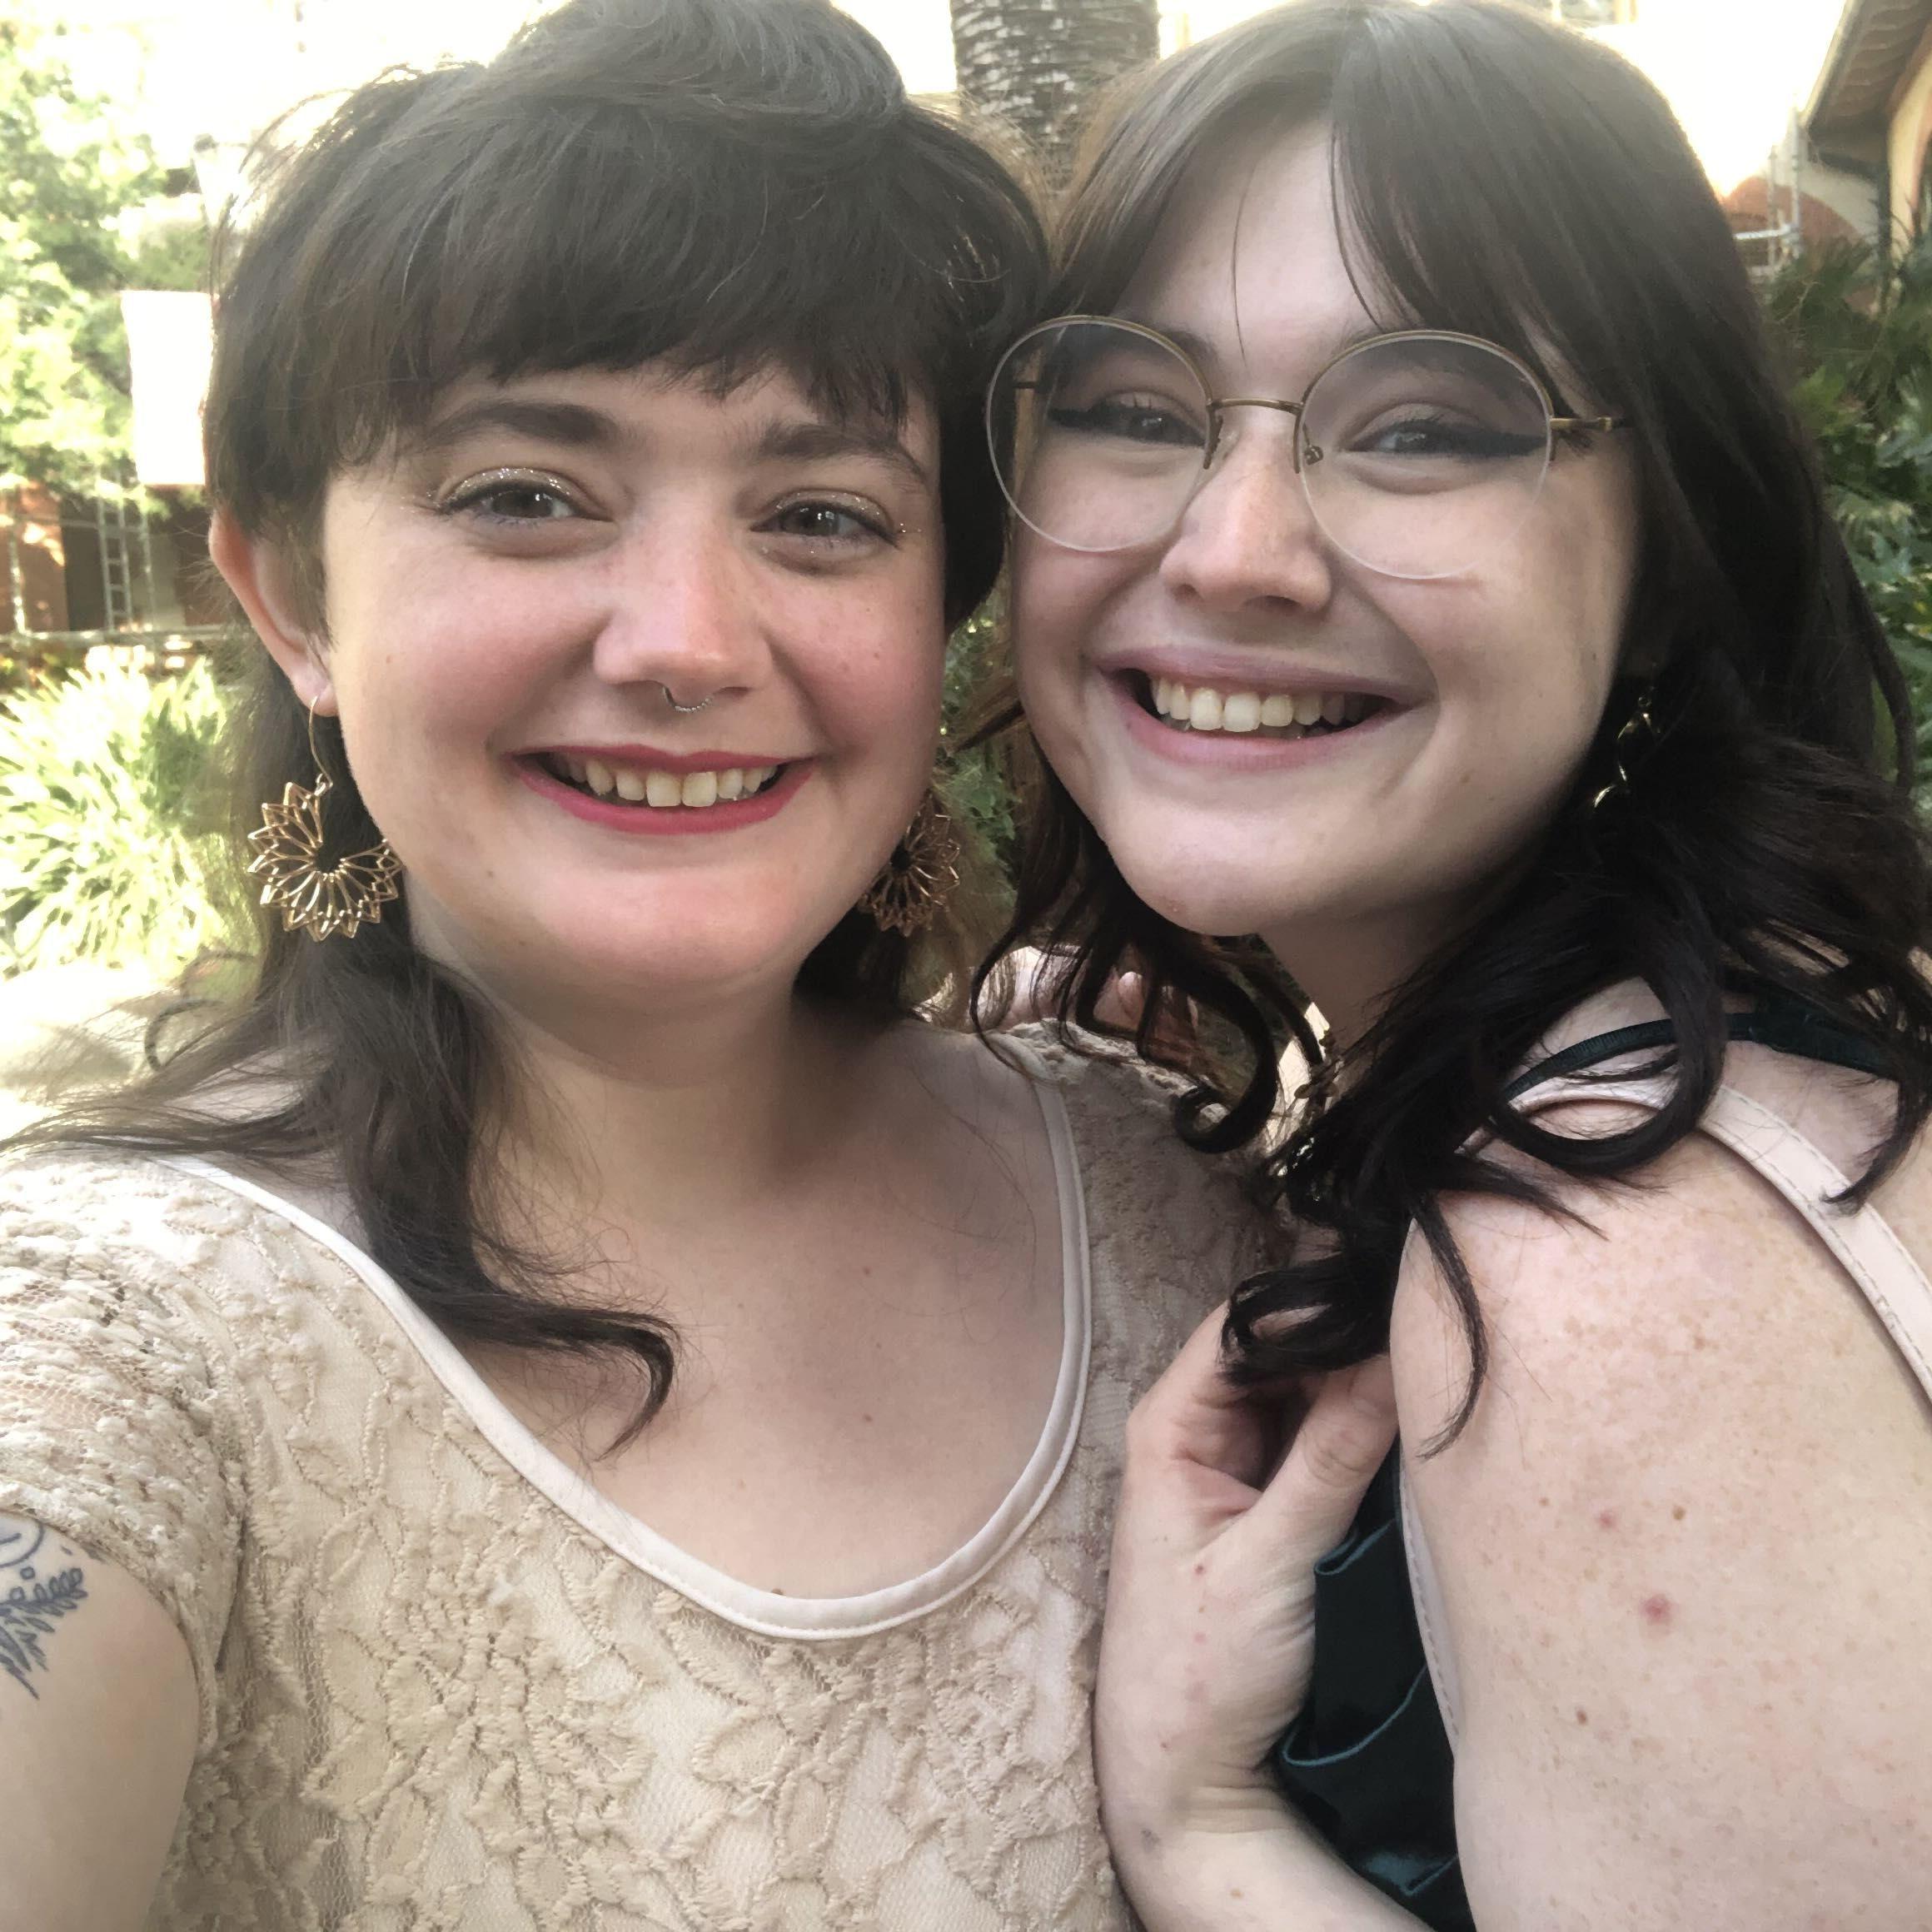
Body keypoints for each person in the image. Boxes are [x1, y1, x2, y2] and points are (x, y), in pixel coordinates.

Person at [0, 3, 1273, 1925]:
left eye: (822, 516)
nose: (684, 639)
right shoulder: (107, 1328)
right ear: (290, 597)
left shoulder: (1167, 1195)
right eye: (525, 493)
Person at [980, 2, 1932, 1926]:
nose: (1232, 547)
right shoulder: (1730, 1019)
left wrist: (1195, 1830)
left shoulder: (1604, 1242)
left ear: (1665, 558)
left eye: (1420, 428)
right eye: (1135, 408)